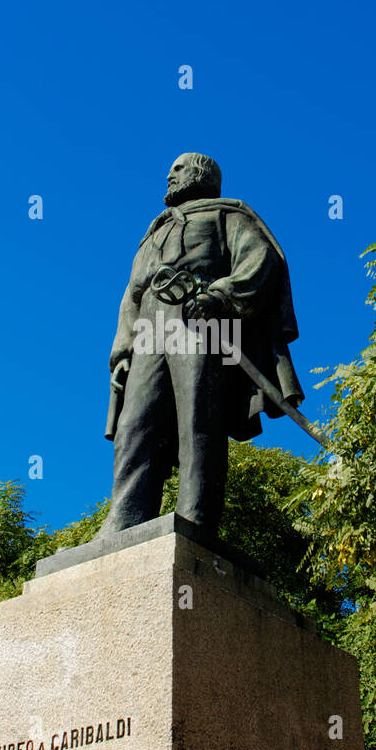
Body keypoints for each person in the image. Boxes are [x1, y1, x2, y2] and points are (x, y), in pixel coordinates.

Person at [98, 153, 305, 535]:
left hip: (198, 319)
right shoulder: (154, 232)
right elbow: (131, 296)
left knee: (198, 415)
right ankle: (124, 518)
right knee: (135, 423)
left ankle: (195, 518)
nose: (168, 176)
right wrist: (123, 352)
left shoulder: (228, 215)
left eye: (176, 170)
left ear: (199, 174)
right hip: (149, 328)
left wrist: (222, 295)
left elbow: (261, 260)